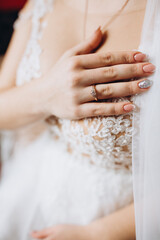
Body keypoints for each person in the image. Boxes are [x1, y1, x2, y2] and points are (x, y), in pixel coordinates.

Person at [0, 0, 155, 239]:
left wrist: (97, 233)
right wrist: (45, 94)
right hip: (35, 191)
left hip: (131, 217)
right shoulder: (43, 3)